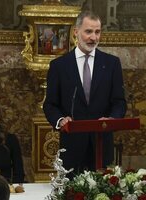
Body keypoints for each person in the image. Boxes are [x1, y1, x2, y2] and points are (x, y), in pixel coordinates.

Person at [43, 11, 127, 178]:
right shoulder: (59, 66)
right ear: (76, 32)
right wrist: (61, 120)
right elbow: (50, 104)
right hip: (72, 147)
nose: (94, 38)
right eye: (88, 31)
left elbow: (119, 102)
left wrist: (112, 119)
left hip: (102, 144)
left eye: (97, 32)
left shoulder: (111, 64)